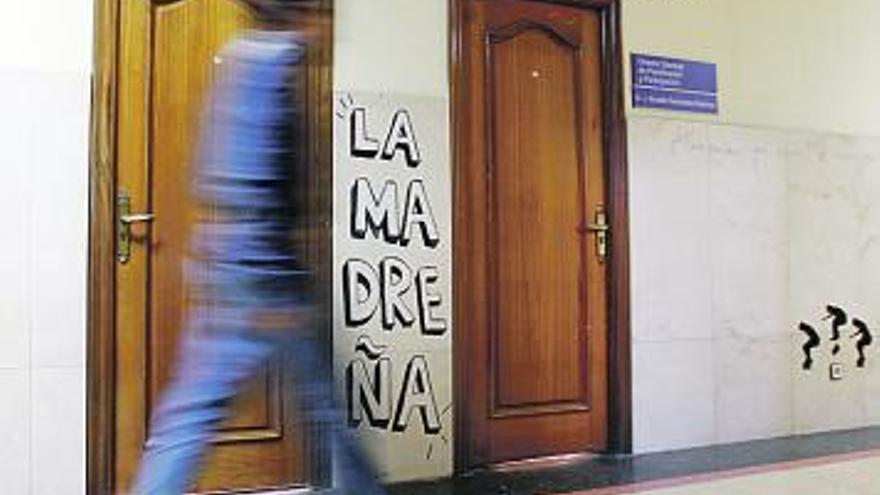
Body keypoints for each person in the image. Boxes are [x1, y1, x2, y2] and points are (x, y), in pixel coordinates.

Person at [130, 2, 384, 493]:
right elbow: (248, 178)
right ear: (302, 12)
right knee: (325, 409)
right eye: (321, 13)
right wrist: (268, 279)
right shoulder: (271, 64)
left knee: (190, 414)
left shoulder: (239, 58)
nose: (328, 25)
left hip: (230, 261)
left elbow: (212, 173)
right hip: (258, 272)